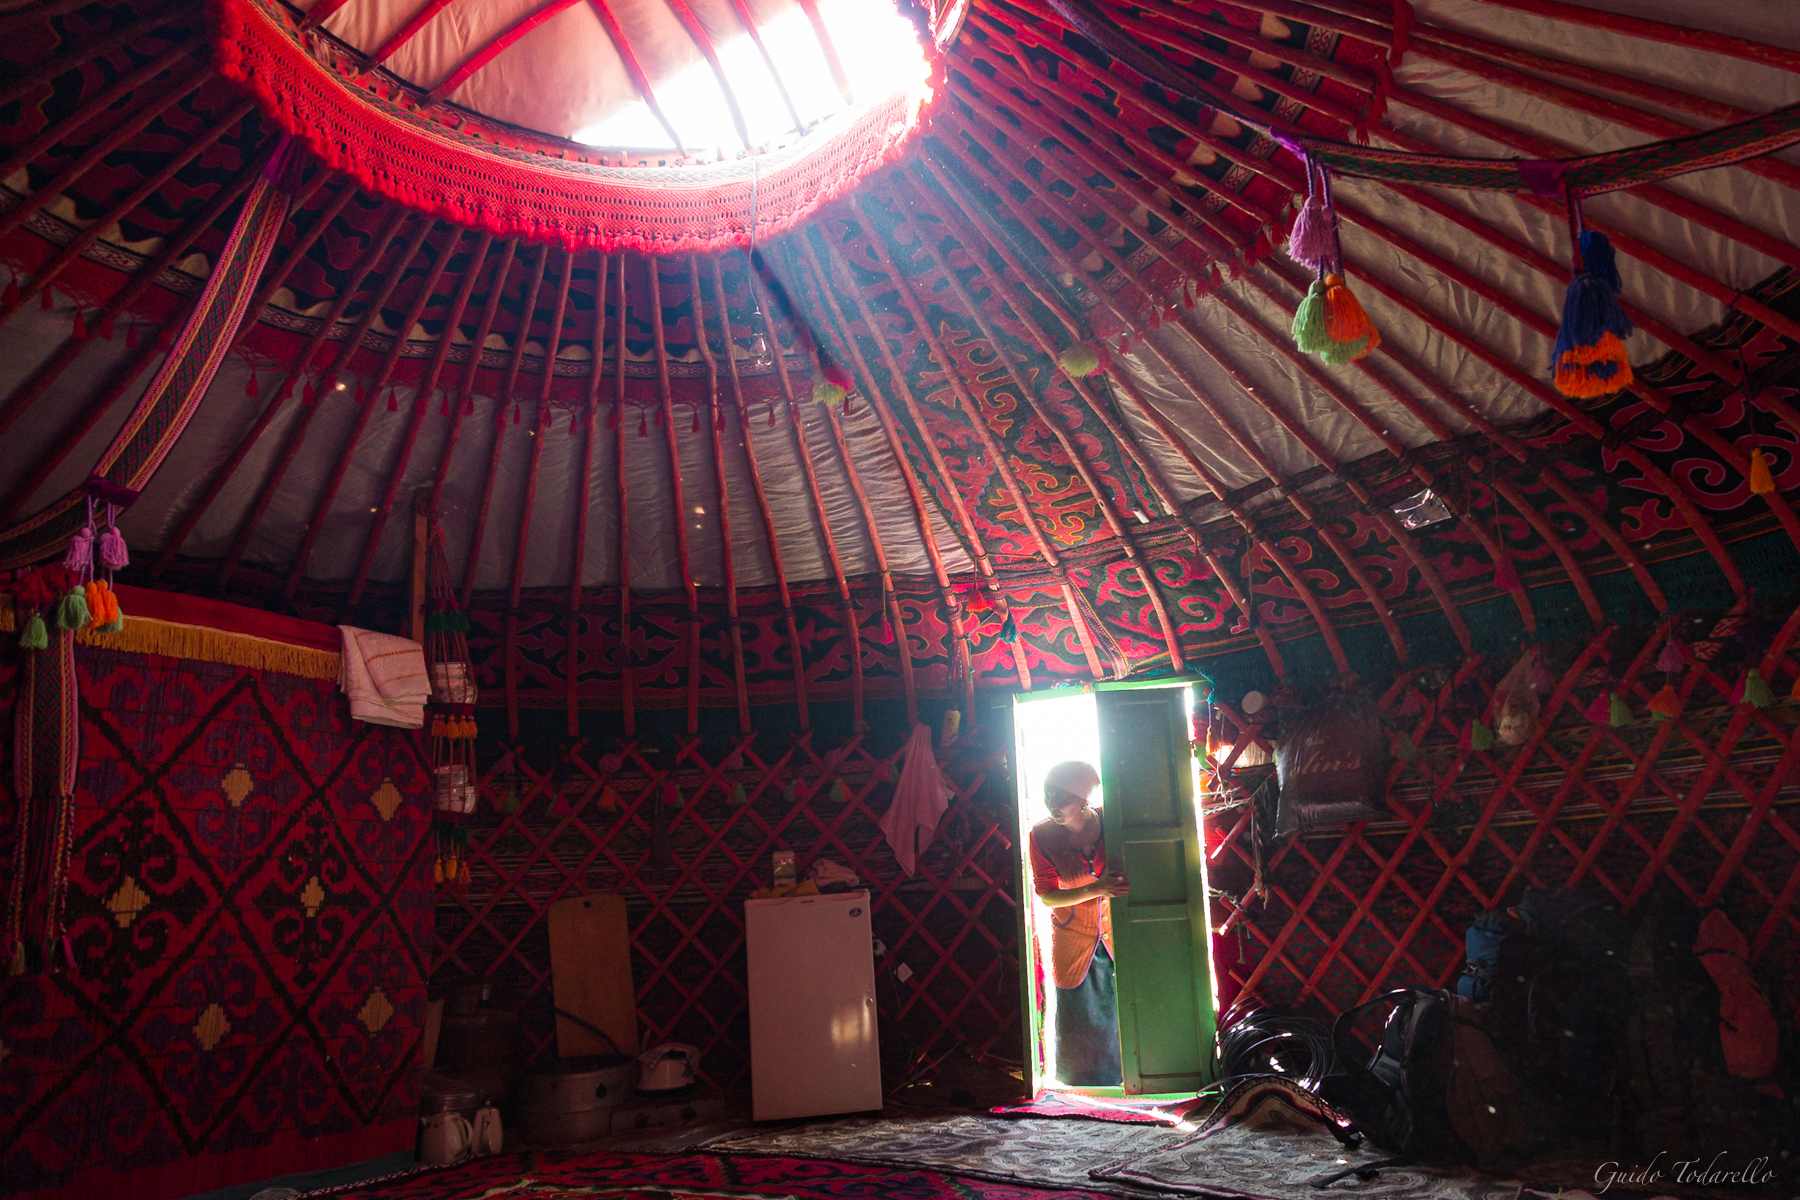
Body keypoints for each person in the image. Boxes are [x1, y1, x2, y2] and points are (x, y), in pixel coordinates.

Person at [1027, 760, 1128, 1087]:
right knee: (1079, 1009)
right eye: (1047, 796)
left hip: (1119, 932)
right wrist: (1096, 889)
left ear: (1084, 800)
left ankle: (1130, 1078)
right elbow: (1048, 896)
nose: (1053, 805)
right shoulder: (1042, 836)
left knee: (1122, 1005)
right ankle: (1082, 1084)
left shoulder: (1113, 823)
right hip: (1072, 934)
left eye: (1063, 798)